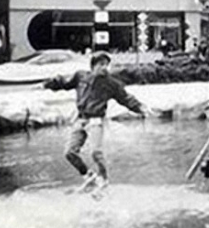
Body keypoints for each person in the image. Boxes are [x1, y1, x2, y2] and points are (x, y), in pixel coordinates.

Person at [41, 52, 152, 192]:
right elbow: (65, 83)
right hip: (80, 119)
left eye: (107, 65)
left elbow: (125, 98)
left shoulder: (111, 83)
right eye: (101, 64)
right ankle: (89, 176)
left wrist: (140, 107)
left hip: (96, 120)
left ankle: (104, 180)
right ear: (93, 66)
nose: (105, 67)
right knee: (69, 153)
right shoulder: (80, 76)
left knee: (96, 152)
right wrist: (50, 83)